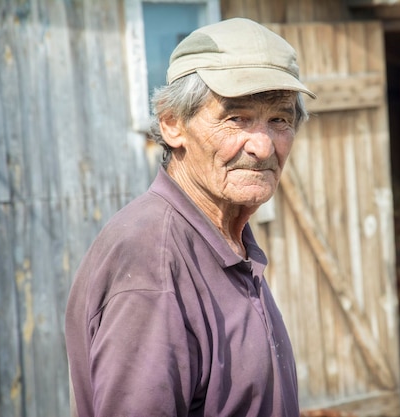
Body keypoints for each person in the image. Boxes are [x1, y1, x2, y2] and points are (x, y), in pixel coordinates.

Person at [65, 17, 315, 417]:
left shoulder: (224, 239)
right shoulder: (153, 260)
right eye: (237, 119)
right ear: (172, 124)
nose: (263, 146)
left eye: (279, 120)